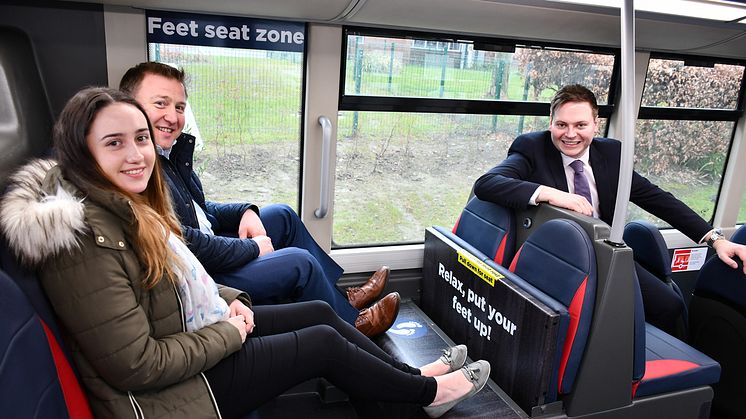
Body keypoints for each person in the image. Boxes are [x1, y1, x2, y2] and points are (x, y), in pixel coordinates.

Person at [0, 87, 490, 419]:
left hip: (192, 337)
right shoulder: (83, 240)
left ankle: (408, 379)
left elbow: (178, 280)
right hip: (165, 395)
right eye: (115, 143)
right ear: (83, 154)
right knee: (320, 341)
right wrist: (230, 333)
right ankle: (425, 396)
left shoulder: (130, 208)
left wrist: (229, 299)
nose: (137, 155)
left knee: (320, 311)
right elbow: (137, 366)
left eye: (142, 139)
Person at [119, 61, 397, 337]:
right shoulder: (139, 168)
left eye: (179, 107)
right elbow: (186, 243)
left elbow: (200, 210)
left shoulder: (167, 156)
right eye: (160, 104)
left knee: (283, 216)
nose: (172, 116)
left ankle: (341, 303)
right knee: (300, 262)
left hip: (209, 250)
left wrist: (245, 212)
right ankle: (352, 327)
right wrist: (252, 248)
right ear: (130, 109)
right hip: (203, 275)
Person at [474, 84, 746, 335]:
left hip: (604, 253)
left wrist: (715, 239)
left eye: (580, 124)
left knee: (668, 306)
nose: (570, 134)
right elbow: (487, 184)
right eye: (562, 125)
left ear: (595, 124)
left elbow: (657, 198)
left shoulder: (612, 155)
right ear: (551, 124)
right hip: (554, 259)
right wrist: (553, 195)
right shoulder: (532, 148)